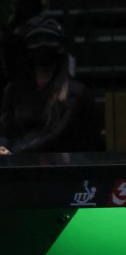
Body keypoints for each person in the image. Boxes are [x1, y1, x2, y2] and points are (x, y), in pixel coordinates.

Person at [0, 15, 97, 155]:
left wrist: (16, 152)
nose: (42, 46)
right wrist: (3, 146)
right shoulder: (14, 91)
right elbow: (5, 129)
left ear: (60, 48)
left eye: (48, 40)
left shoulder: (75, 93)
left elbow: (57, 136)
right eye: (36, 41)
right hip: (19, 161)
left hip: (60, 164)